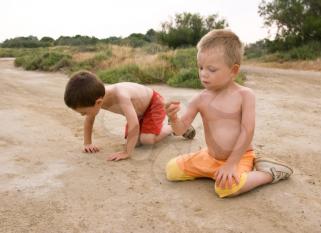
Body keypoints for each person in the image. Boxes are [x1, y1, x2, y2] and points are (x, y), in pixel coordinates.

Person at [165, 29, 293, 198]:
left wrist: (232, 164)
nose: (203, 74)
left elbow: (247, 131)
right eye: (201, 67)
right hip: (210, 157)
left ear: (233, 71)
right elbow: (180, 130)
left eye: (211, 69)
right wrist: (173, 118)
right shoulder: (200, 99)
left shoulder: (244, 95)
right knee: (172, 170)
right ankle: (215, 170)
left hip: (239, 157)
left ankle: (268, 172)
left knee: (226, 188)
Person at [64, 71, 196, 161]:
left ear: (98, 102)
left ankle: (172, 126)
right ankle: (159, 128)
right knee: (136, 142)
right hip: (138, 112)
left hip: (154, 103)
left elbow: (134, 124)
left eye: (84, 112)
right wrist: (87, 143)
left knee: (147, 140)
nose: (83, 115)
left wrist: (127, 152)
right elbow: (89, 120)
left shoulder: (120, 95)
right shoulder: (95, 97)